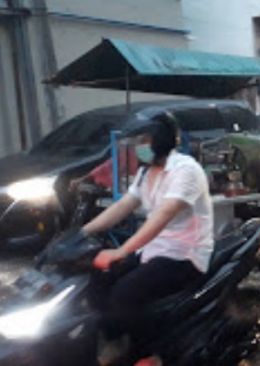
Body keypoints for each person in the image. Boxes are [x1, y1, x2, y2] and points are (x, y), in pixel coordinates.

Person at [82, 114, 214, 366]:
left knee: (125, 293)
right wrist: (82, 232)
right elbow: (123, 206)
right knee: (98, 278)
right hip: (155, 249)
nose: (139, 148)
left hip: (186, 254)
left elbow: (163, 215)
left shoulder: (186, 170)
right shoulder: (146, 173)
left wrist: (121, 251)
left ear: (161, 140)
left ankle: (150, 354)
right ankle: (115, 337)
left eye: (144, 140)